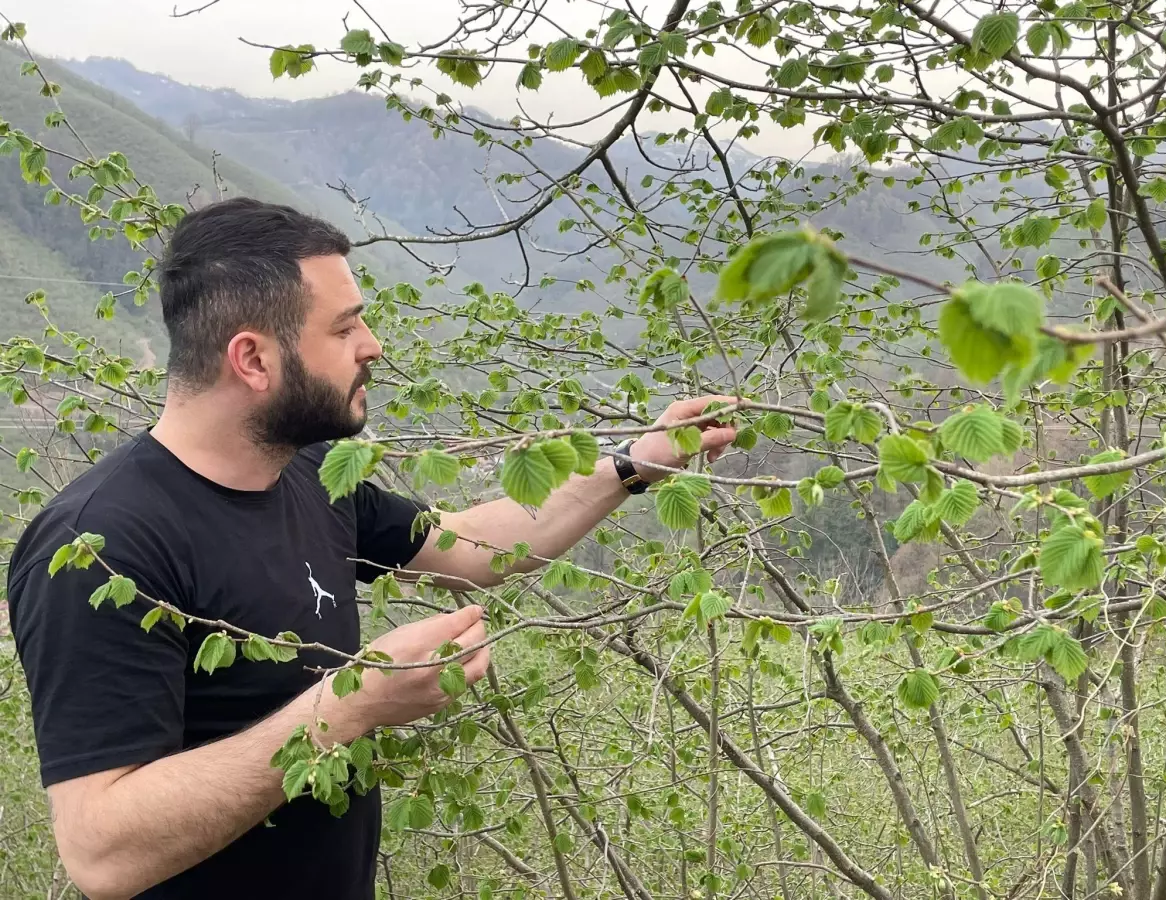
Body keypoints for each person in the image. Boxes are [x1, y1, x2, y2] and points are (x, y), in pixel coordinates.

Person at [6, 197, 738, 900]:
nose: (372, 346)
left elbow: (474, 549)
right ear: (253, 359)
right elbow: (101, 853)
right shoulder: (100, 548)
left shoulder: (313, 475)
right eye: (344, 328)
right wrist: (352, 705)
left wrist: (634, 464)